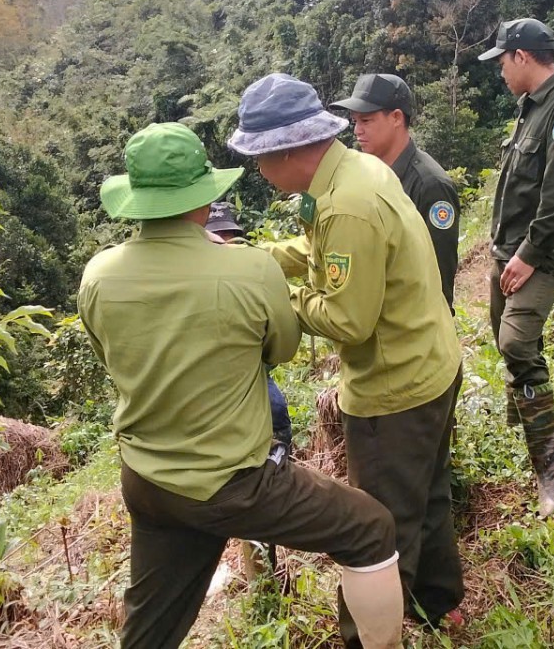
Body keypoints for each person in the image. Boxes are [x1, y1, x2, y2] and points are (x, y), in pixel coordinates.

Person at [78, 122, 404, 649]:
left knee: (152, 624)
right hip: (232, 482)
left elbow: (111, 356)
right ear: (204, 200)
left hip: (148, 480)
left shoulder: (98, 275)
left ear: (135, 202)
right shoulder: (249, 270)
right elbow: (281, 349)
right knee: (370, 527)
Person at [228, 74, 465, 646]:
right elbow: (318, 253)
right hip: (431, 362)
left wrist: (273, 297)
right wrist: (256, 259)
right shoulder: (353, 171)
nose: (259, 169)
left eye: (260, 157)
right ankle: (439, 604)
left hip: (394, 389)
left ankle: (367, 638)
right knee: (427, 495)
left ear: (289, 150)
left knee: (377, 530)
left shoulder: (347, 205)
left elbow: (348, 320)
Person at [478, 18, 554, 518]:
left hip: (538, 254)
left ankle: (549, 466)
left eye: (503, 62)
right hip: (507, 250)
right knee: (505, 340)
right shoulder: (531, 107)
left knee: (517, 343)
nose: (501, 72)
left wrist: (528, 256)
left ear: (522, 57)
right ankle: (529, 413)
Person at [329, 74, 460, 313]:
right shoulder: (368, 174)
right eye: (355, 121)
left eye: (366, 120)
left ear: (396, 118)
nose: (357, 130)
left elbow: (440, 273)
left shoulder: (430, 185)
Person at [206, 201, 293, 448]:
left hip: (254, 373)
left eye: (228, 237)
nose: (224, 244)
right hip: (212, 383)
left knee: (276, 413)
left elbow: (280, 347)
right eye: (218, 237)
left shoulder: (253, 274)